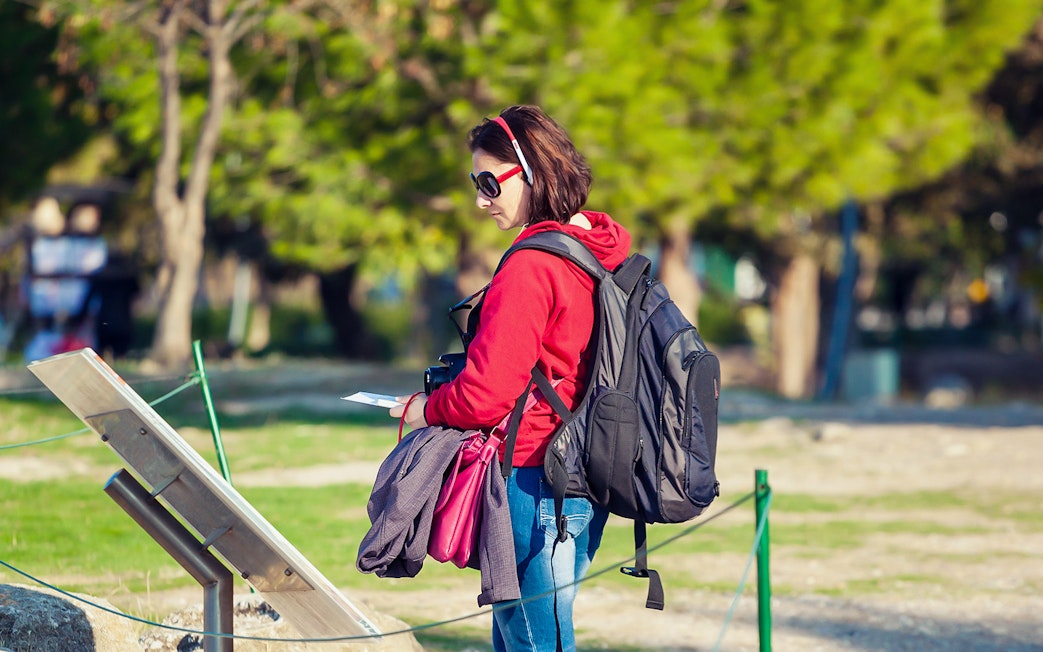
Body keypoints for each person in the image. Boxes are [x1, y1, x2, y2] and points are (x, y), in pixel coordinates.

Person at [390, 105, 632, 651]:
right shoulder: (597, 249)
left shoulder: (532, 265)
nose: (480, 200)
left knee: (531, 640)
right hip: (585, 474)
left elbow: (486, 392)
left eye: (488, 183)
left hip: (534, 475)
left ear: (531, 173)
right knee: (534, 634)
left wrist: (422, 410)